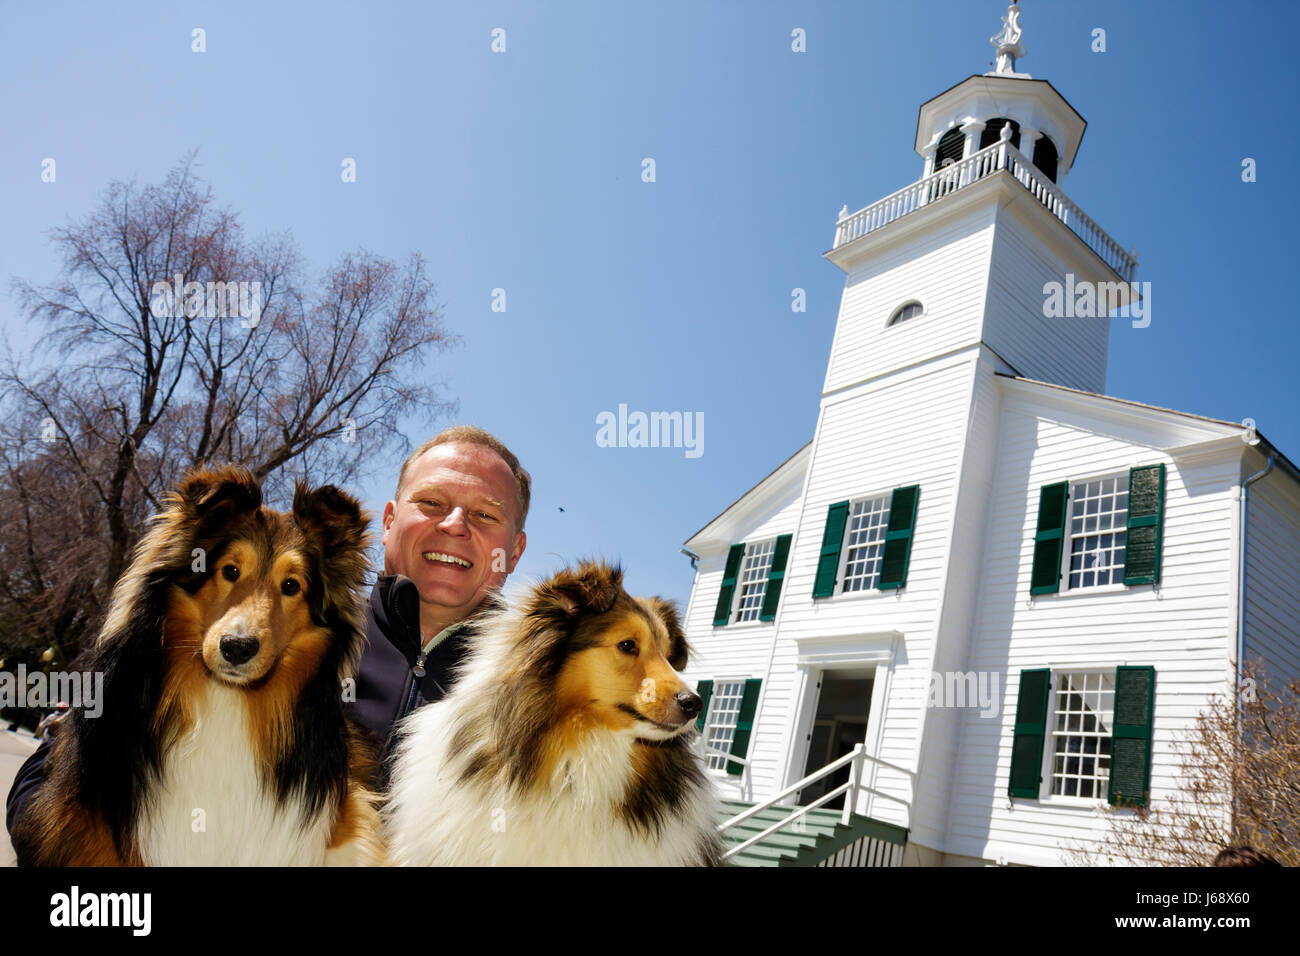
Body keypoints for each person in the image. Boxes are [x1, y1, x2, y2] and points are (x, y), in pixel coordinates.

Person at [5, 425, 529, 862]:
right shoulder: (291, 635)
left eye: (485, 514)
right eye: (432, 502)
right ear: (390, 521)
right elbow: (49, 774)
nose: (455, 526)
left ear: (516, 548)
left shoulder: (529, 695)